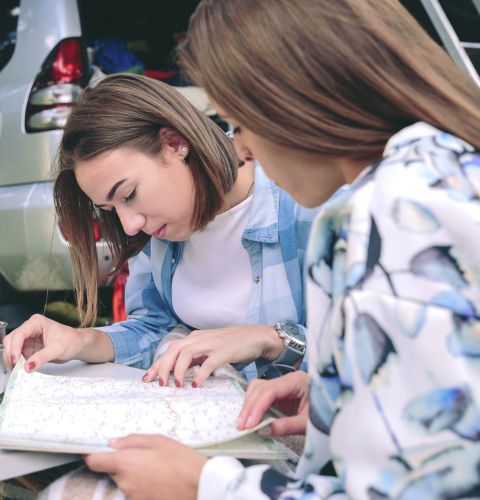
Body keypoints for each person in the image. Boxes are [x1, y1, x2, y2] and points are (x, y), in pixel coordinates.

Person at [81, 0, 480, 498]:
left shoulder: (385, 216)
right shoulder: (442, 170)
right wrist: (333, 393)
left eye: (240, 121)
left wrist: (204, 485)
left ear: (296, 96)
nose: (241, 147)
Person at [4, 72, 316, 386]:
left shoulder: (310, 205)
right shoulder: (162, 231)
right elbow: (152, 329)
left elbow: (359, 358)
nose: (129, 226)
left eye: (129, 195)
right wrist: (78, 341)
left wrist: (271, 340)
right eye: (112, 210)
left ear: (175, 144)